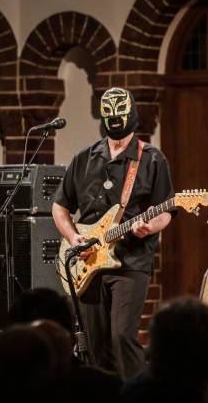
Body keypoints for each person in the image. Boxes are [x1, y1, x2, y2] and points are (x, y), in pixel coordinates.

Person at [52, 87, 175, 379]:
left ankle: (136, 394)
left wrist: (149, 227)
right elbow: (60, 207)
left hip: (131, 262)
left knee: (122, 337)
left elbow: (167, 210)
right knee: (94, 345)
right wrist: (73, 238)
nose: (116, 127)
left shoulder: (152, 159)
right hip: (87, 261)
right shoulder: (84, 158)